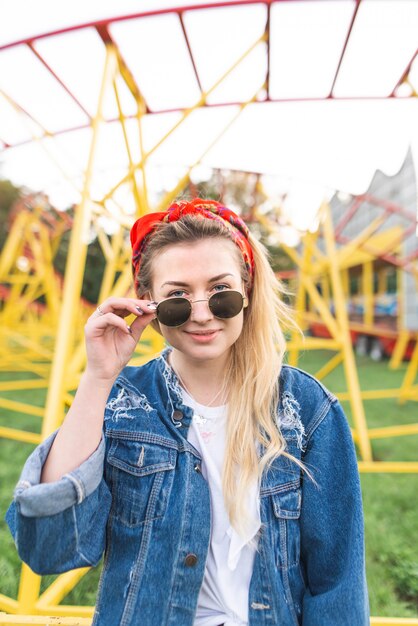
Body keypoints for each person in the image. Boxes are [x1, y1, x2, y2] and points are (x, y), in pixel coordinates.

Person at [5, 198, 369, 626]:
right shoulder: (124, 405)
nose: (200, 314)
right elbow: (49, 548)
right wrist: (99, 377)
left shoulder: (306, 410)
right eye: (177, 297)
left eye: (221, 292)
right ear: (147, 304)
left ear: (247, 290)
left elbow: (337, 584)